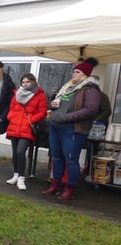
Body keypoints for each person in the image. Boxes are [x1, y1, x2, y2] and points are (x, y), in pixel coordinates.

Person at [42, 58, 100, 200]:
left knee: (71, 159)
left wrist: (67, 117)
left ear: (85, 75)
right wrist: (53, 105)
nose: (74, 74)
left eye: (77, 72)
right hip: (56, 126)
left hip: (73, 129)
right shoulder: (67, 88)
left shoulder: (90, 89)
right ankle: (55, 184)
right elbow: (55, 104)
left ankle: (70, 188)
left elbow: (90, 110)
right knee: (57, 157)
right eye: (73, 72)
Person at [5, 73, 47, 190]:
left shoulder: (40, 95)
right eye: (23, 82)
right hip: (15, 125)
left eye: (27, 82)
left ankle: (21, 178)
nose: (25, 84)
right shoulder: (17, 94)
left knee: (20, 152)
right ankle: (15, 175)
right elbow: (12, 108)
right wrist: (11, 117)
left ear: (33, 82)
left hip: (27, 127)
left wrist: (31, 119)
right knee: (15, 152)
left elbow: (42, 112)